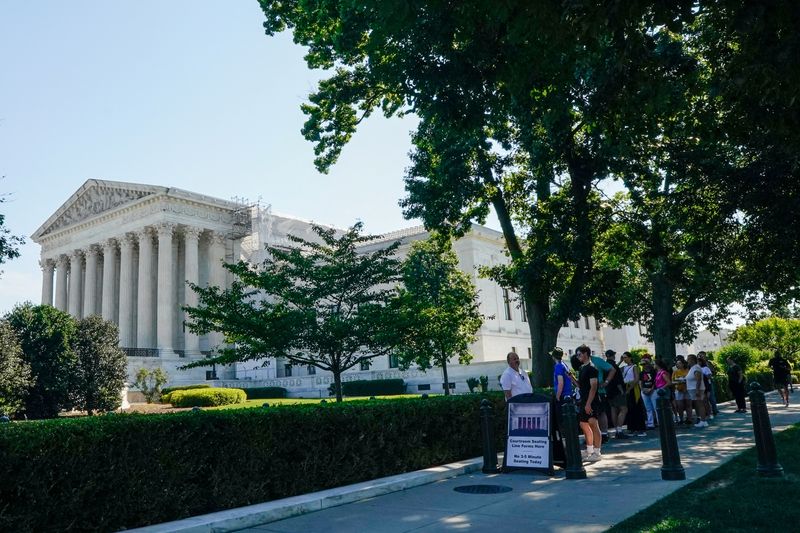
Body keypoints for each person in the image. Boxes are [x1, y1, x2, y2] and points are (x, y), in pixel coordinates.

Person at [576, 345, 602, 462]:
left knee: (593, 423)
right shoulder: (582, 368)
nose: (578, 357)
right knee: (583, 424)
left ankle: (597, 452)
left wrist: (588, 404)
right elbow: (582, 386)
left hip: (591, 401)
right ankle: (589, 450)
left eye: (579, 354)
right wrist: (572, 379)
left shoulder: (592, 368)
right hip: (584, 399)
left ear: (586, 354)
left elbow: (594, 387)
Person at [587, 347, 616, 443]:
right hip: (588, 391)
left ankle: (604, 434)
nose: (578, 356)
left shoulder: (597, 360)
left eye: (580, 354)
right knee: (592, 414)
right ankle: (595, 435)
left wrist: (606, 382)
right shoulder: (583, 364)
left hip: (599, 391)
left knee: (601, 412)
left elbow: (612, 369)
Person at [605, 350, 628, 439]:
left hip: (608, 390)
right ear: (612, 356)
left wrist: (620, 361)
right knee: (624, 409)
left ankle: (616, 429)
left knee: (613, 409)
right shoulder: (614, 366)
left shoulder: (605, 365)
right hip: (617, 390)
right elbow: (618, 379)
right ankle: (619, 430)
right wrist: (622, 391)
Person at [686, 354, 708, 428]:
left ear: (692, 360)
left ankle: (703, 421)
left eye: (688, 359)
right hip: (694, 389)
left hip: (696, 389)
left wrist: (697, 390)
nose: (687, 360)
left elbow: (698, 379)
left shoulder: (696, 367)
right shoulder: (693, 368)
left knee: (700, 405)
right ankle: (702, 420)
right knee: (698, 405)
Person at [698, 352, 719, 417]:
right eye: (700, 355)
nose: (702, 357)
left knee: (711, 397)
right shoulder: (697, 365)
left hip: (708, 383)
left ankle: (714, 410)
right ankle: (707, 411)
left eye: (703, 355)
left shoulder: (708, 363)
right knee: (704, 399)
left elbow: (712, 371)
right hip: (701, 384)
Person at [639, 356, 657, 429]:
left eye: (645, 364)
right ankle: (650, 423)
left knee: (655, 407)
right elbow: (640, 382)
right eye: (642, 365)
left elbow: (655, 381)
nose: (644, 366)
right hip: (644, 390)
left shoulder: (653, 372)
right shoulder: (641, 373)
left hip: (653, 390)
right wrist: (643, 389)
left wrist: (651, 389)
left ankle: (659, 422)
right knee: (648, 408)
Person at [671, 358, 692, 423]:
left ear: (683, 364)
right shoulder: (675, 372)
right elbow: (672, 381)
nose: (677, 365)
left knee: (688, 404)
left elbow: (691, 380)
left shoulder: (688, 371)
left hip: (687, 389)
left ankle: (689, 419)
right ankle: (681, 419)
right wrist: (678, 382)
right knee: (680, 406)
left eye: (679, 363)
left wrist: (684, 381)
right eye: (677, 364)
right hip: (679, 390)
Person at [653, 359, 672, 424]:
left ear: (657, 365)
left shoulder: (663, 372)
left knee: (666, 405)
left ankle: (668, 420)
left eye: (654, 364)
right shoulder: (658, 372)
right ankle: (664, 421)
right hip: (659, 391)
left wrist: (662, 388)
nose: (653, 365)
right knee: (661, 406)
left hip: (664, 391)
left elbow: (669, 382)